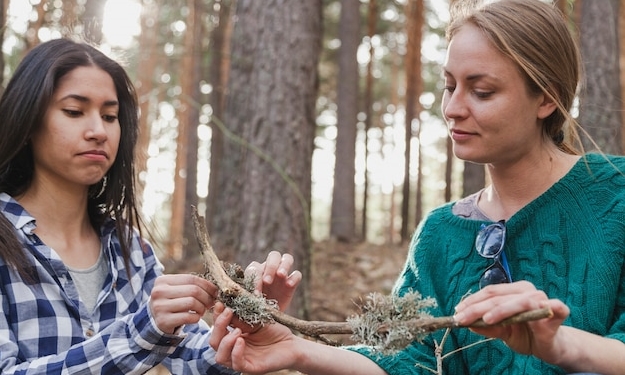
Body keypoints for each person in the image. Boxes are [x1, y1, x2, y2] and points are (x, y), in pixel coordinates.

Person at [208, 0, 625, 374]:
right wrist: (295, 349)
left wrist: (559, 343)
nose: (453, 108)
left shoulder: (616, 196)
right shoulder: (439, 234)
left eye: (481, 91)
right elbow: (409, 360)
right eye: (449, 86)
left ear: (547, 97)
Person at [0, 38, 302, 374]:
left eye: (110, 116)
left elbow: (194, 358)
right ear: (27, 120)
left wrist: (245, 325)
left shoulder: (128, 248)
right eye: (74, 111)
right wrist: (141, 333)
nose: (99, 131)